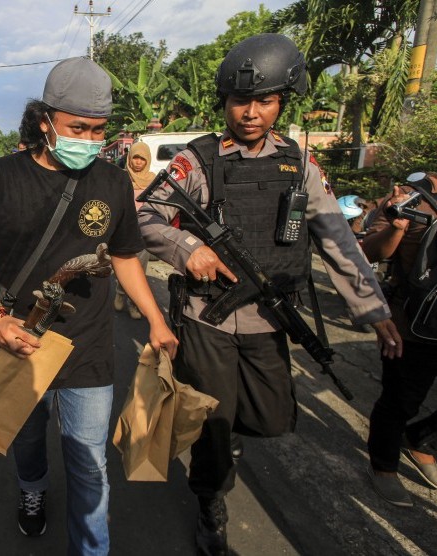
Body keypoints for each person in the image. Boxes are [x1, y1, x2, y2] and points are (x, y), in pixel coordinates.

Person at [138, 33, 401, 555]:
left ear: (283, 102)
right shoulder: (199, 161)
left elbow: (337, 239)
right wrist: (186, 245)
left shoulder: (299, 165)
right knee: (213, 428)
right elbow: (145, 215)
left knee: (272, 417)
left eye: (265, 100)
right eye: (241, 100)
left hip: (269, 317)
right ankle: (211, 500)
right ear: (226, 103)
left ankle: (226, 436)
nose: (251, 112)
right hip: (207, 317)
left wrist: (373, 311)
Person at [0, 57, 178, 554]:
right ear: (45, 120)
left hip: (88, 344)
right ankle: (32, 490)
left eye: (98, 130)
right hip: (20, 339)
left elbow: (127, 256)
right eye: (78, 128)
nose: (90, 141)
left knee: (90, 463)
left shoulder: (112, 183)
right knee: (27, 440)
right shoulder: (1, 178)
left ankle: (91, 549)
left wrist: (156, 320)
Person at [364, 173, 437, 506]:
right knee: (401, 400)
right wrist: (397, 225)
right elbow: (367, 251)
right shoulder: (409, 195)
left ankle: (421, 440)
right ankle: (384, 467)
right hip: (412, 326)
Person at [114, 141, 155, 319]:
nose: (138, 162)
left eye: (142, 159)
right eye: (136, 157)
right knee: (125, 263)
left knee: (140, 267)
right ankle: (120, 293)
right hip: (123, 228)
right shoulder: (121, 177)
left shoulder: (153, 180)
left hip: (144, 228)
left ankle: (132, 302)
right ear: (130, 158)